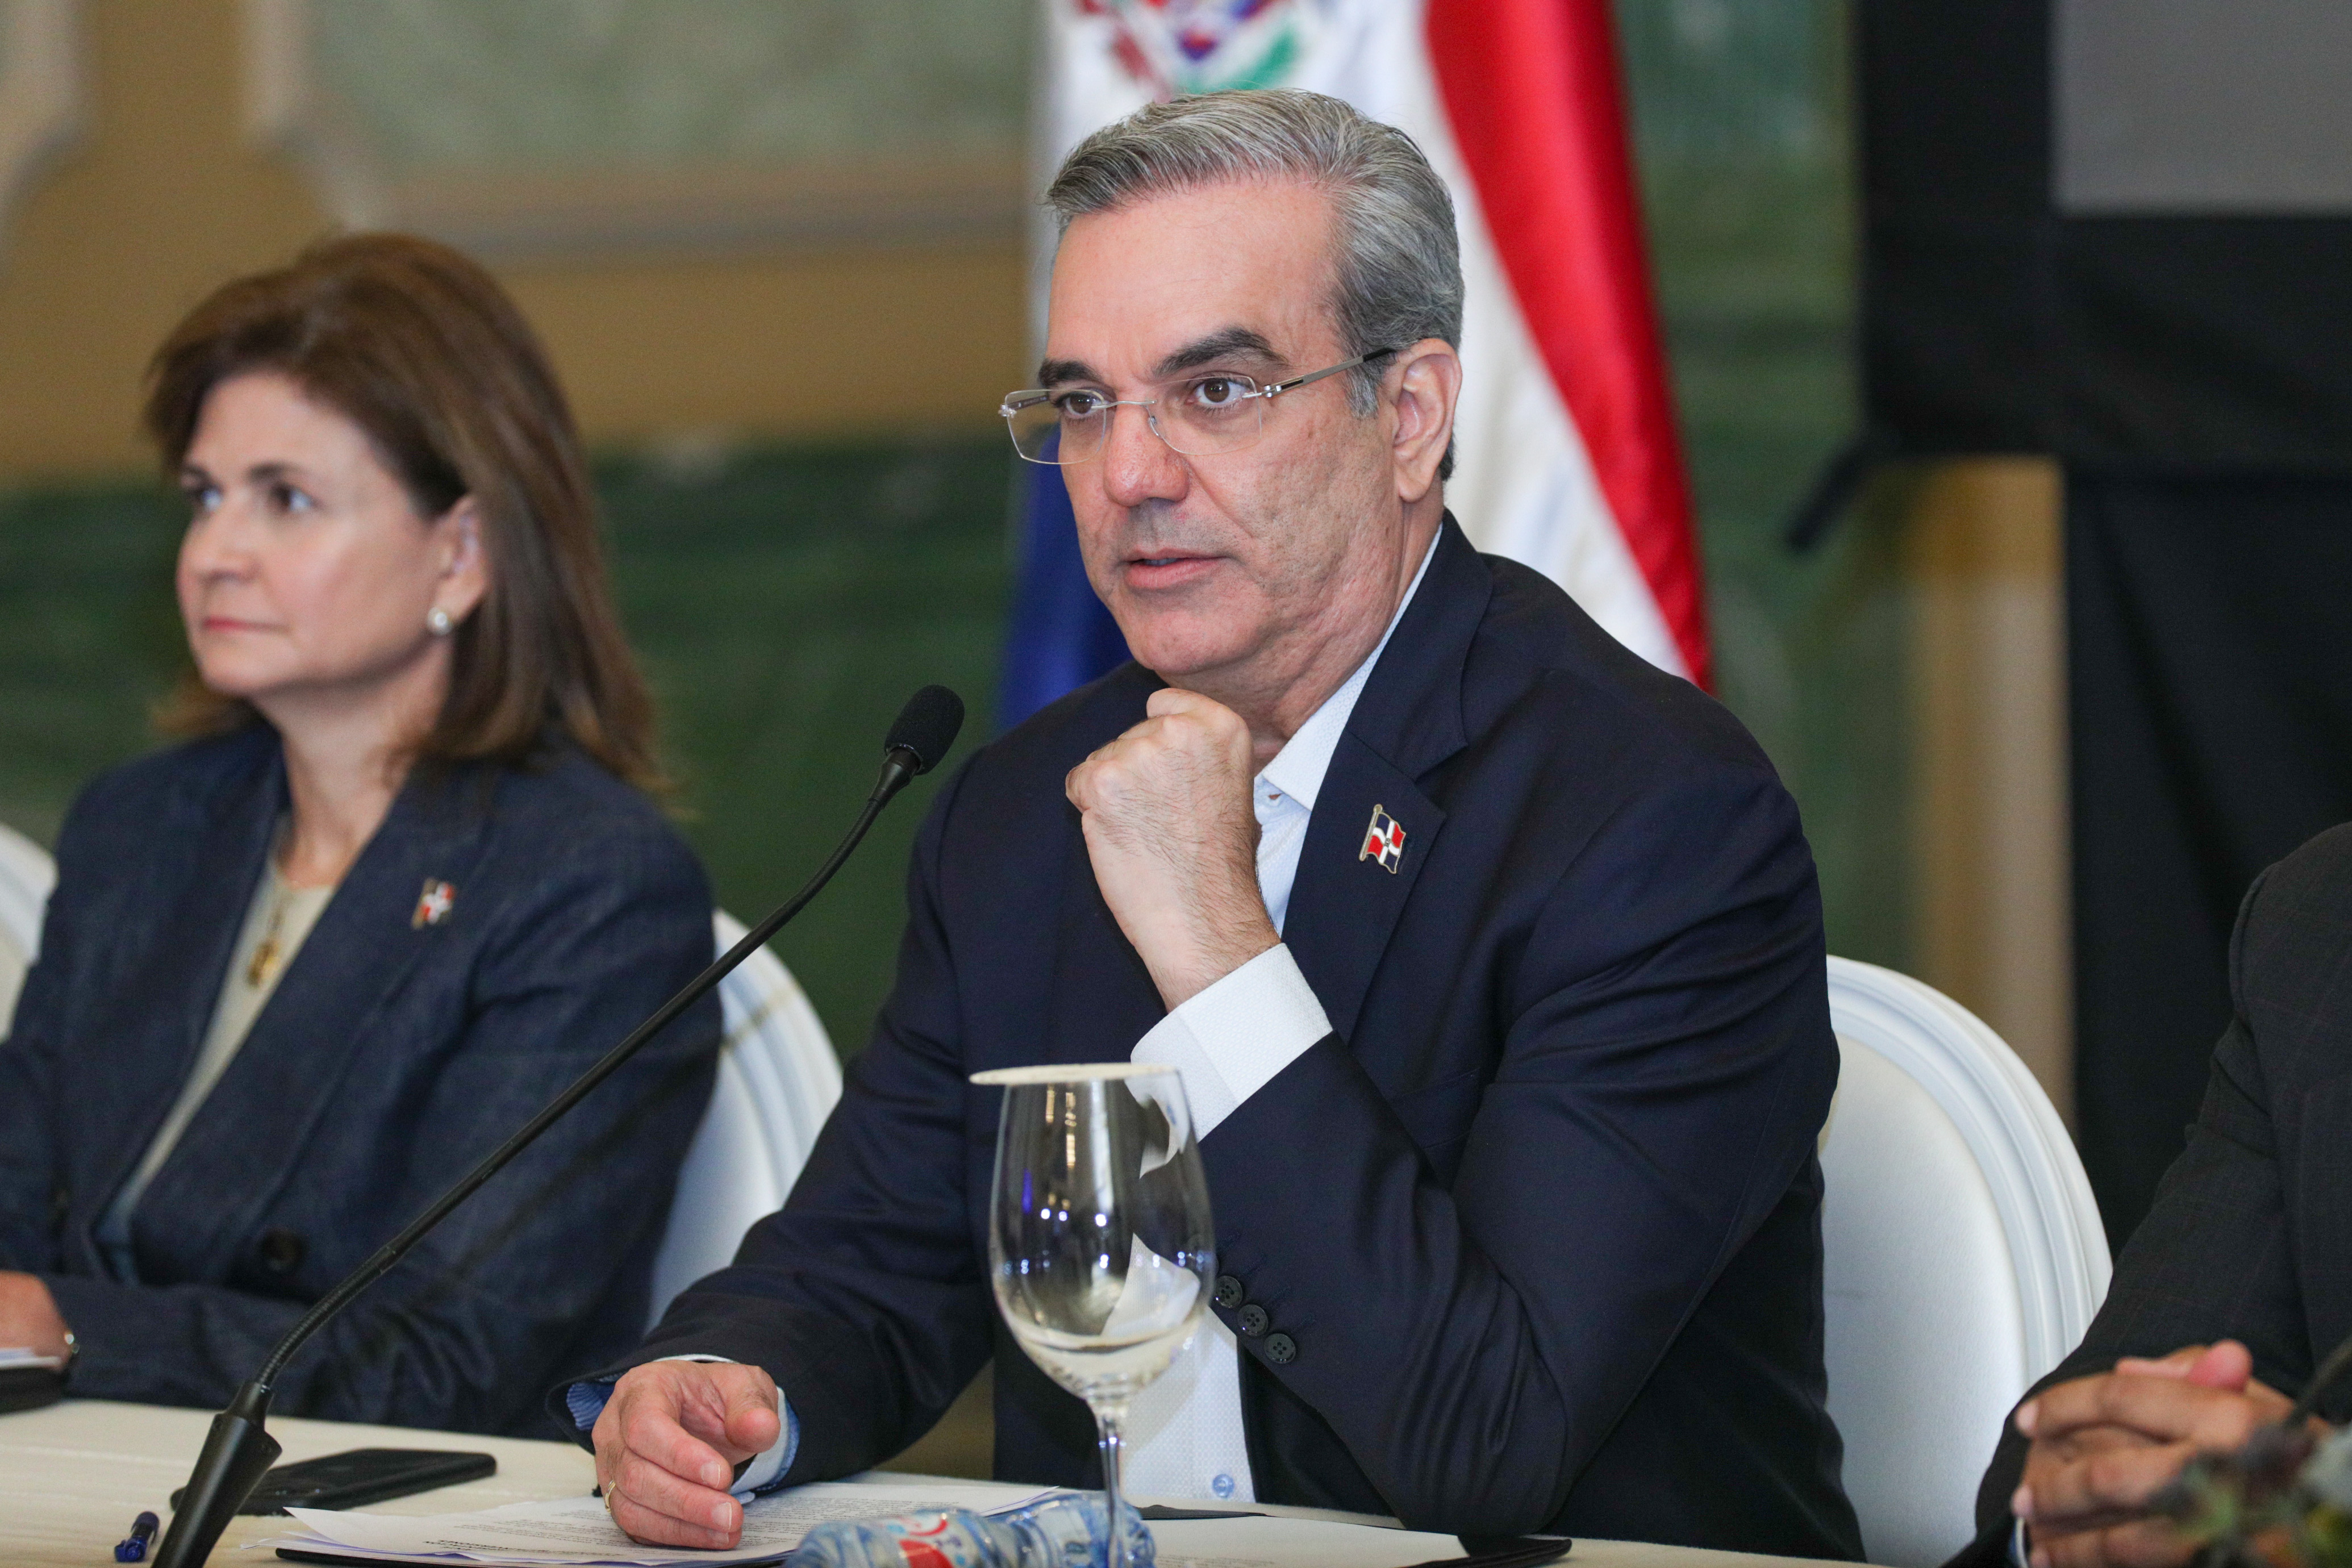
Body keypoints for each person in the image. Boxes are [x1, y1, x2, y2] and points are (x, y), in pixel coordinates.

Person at [569, 90, 1860, 1557]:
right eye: (1081, 405)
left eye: (1217, 392)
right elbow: (871, 1259)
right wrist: (726, 1382)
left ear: (1409, 417)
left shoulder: (1648, 818)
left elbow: (1490, 1440)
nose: (1129, 475)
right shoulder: (1020, 809)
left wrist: (1213, 947)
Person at [0, 233, 722, 1436]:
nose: (214, 555)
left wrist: (63, 1326)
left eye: (285, 500)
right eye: (204, 497)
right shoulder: (142, 827)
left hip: (372, 1503)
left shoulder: (589, 886)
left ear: (461, 554)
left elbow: (450, 1360)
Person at [1953, 820, 2352, 1568]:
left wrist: (2328, 1521)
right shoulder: (2326, 917)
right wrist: (2104, 1485)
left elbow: (2308, 1511)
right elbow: (2118, 1401)